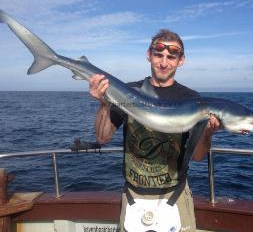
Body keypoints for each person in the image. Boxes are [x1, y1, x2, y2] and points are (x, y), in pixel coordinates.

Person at [89, 29, 220, 232]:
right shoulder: (127, 92)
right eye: (158, 55)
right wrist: (104, 104)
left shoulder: (192, 99)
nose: (164, 63)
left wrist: (208, 133)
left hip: (175, 194)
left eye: (171, 57)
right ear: (149, 55)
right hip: (133, 194)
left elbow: (198, 157)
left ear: (181, 60)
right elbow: (102, 137)